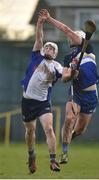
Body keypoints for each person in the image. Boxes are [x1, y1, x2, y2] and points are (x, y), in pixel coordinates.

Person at [39, 9, 99, 164]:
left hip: (91, 96)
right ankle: (65, 152)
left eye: (72, 35)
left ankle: (69, 138)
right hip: (76, 93)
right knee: (69, 118)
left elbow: (66, 29)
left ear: (80, 37)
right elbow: (65, 79)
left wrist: (50, 19)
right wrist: (72, 74)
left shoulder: (87, 48)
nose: (68, 37)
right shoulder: (68, 58)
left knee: (80, 130)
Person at [21, 15, 62, 173]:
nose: (49, 49)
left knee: (49, 129)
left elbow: (64, 75)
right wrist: (39, 23)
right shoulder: (36, 56)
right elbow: (39, 37)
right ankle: (31, 156)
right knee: (30, 130)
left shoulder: (57, 66)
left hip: (43, 102)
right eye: (47, 47)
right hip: (27, 101)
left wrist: (72, 72)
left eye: (52, 49)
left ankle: (53, 160)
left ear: (55, 54)